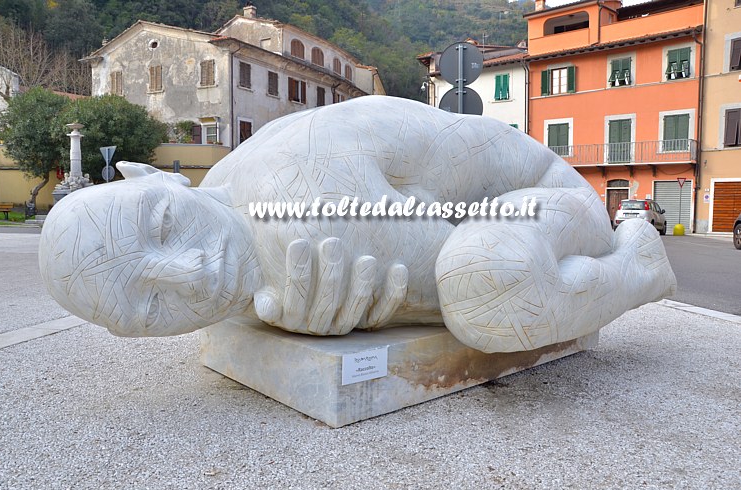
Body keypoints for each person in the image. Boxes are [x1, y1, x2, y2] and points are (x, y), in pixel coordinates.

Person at [39, 96, 675, 353]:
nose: (192, 272)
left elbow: (437, 279)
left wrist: (361, 314)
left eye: (168, 224)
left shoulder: (298, 186)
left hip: (547, 201)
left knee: (486, 287)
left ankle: (637, 265)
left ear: (164, 179)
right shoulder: (230, 193)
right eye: (150, 306)